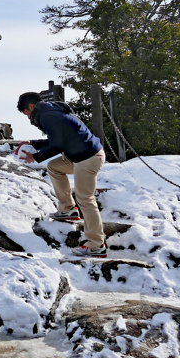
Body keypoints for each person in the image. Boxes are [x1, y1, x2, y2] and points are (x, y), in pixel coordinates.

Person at [16, 92, 107, 258]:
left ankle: (96, 244)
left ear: (30, 106)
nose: (27, 118)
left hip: (88, 158)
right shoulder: (50, 112)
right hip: (78, 156)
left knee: (85, 198)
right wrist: (34, 143)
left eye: (26, 113)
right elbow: (57, 139)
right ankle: (68, 209)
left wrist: (35, 157)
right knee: (54, 167)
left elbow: (58, 144)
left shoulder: (48, 116)